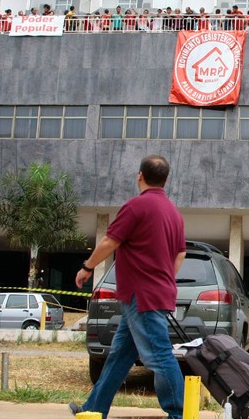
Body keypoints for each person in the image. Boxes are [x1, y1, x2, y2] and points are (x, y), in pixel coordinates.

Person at [69, 155, 186, 419]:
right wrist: (162, 276)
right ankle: (94, 409)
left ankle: (178, 414)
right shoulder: (173, 213)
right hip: (153, 293)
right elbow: (180, 255)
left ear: (139, 176)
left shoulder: (136, 206)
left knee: (159, 356)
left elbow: (110, 242)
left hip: (141, 296)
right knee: (119, 357)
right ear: (166, 180)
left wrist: (87, 267)